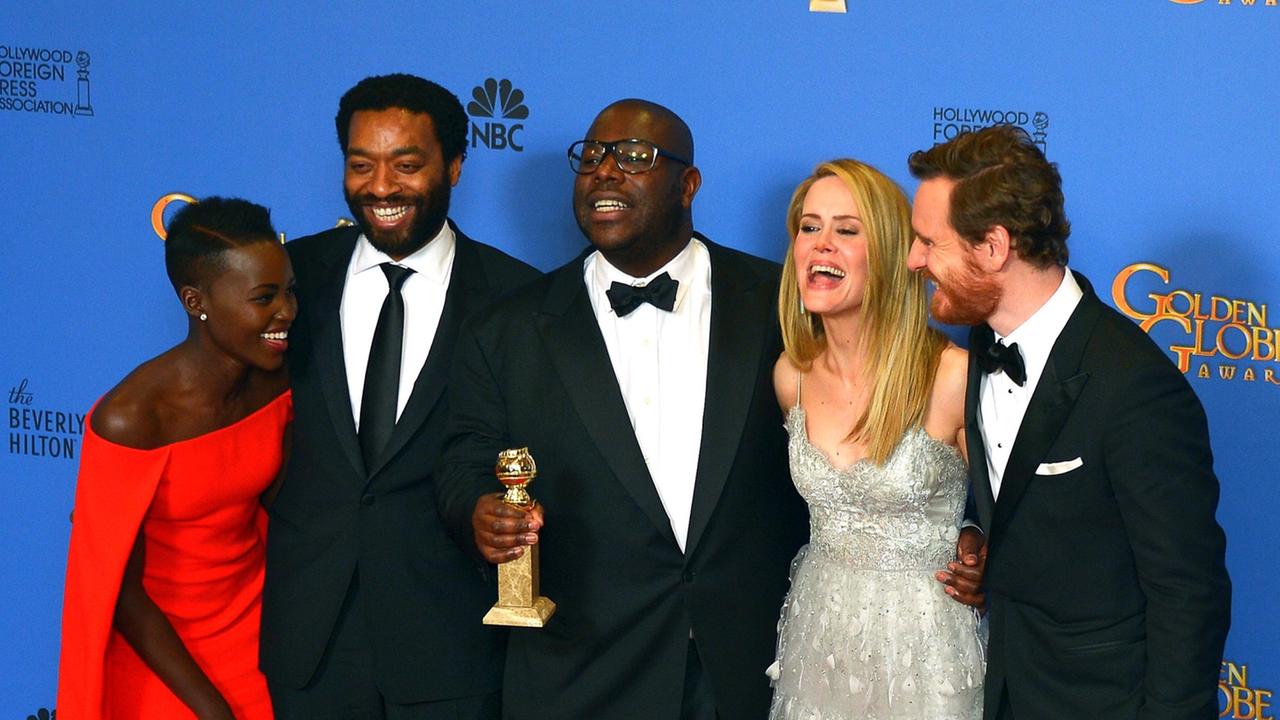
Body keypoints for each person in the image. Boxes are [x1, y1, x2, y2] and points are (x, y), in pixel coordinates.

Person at [436, 99, 809, 719]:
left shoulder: (781, 304)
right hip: (579, 666)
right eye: (591, 157)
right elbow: (464, 461)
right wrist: (478, 511)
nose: (604, 171)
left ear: (688, 184)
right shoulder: (507, 328)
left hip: (746, 665)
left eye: (634, 156)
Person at [906, 124, 1231, 720]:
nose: (913, 260)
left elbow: (1188, 592)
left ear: (994, 247)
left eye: (930, 242)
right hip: (1003, 684)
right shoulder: (983, 344)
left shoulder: (1134, 387)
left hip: (1103, 701)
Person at [259, 74, 538, 719]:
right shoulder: (290, 278)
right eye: (361, 165)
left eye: (406, 165)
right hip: (311, 642)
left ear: (456, 167)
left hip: (453, 644)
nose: (381, 187)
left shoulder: (516, 299)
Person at [58, 197, 294, 719]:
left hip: (260, 647)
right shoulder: (132, 418)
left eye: (289, 291)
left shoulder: (276, 383)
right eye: (264, 298)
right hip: (160, 660)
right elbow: (118, 590)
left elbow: (289, 514)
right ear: (196, 300)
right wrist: (212, 710)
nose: (287, 312)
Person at [764, 159, 984, 719]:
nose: (822, 245)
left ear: (890, 250)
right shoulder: (791, 375)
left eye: (847, 230)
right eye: (809, 227)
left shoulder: (950, 376)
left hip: (926, 653)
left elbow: (1017, 516)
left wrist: (980, 542)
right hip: (819, 638)